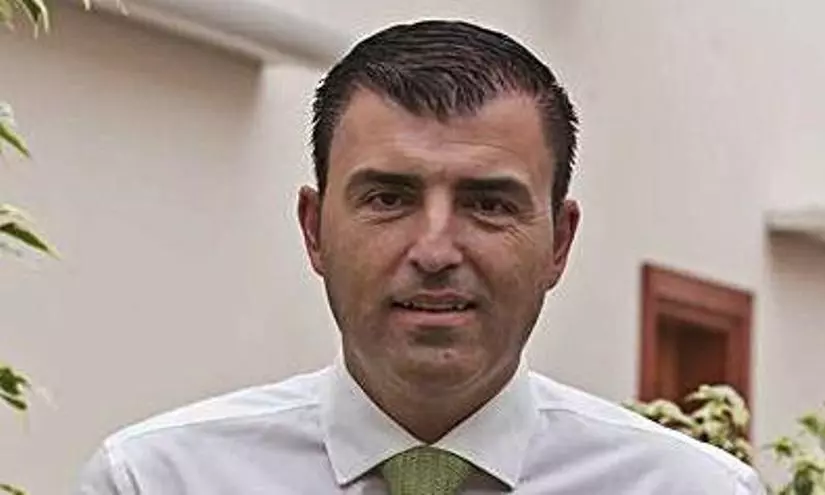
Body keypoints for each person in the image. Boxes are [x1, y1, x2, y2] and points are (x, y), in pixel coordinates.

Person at [75, 19, 766, 494]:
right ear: (314, 230)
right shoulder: (156, 480)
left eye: (488, 203)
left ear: (559, 242)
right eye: (388, 198)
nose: (435, 250)